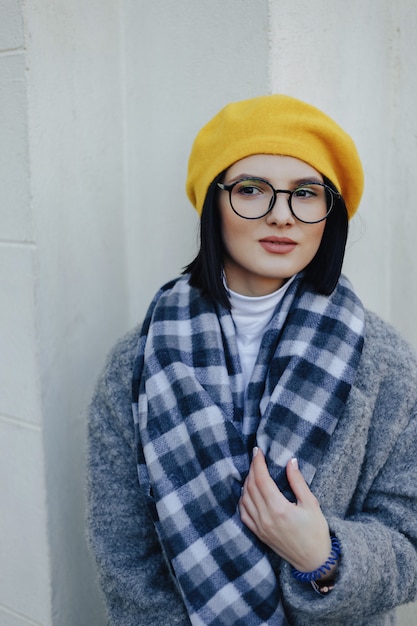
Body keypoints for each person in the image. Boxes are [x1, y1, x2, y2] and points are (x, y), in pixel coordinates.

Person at [87, 95, 417, 625]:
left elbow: (409, 535)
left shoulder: (383, 362)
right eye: (251, 190)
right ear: (212, 204)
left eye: (306, 194)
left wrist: (325, 556)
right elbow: (124, 555)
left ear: (329, 213)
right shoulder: (137, 362)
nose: (281, 215)